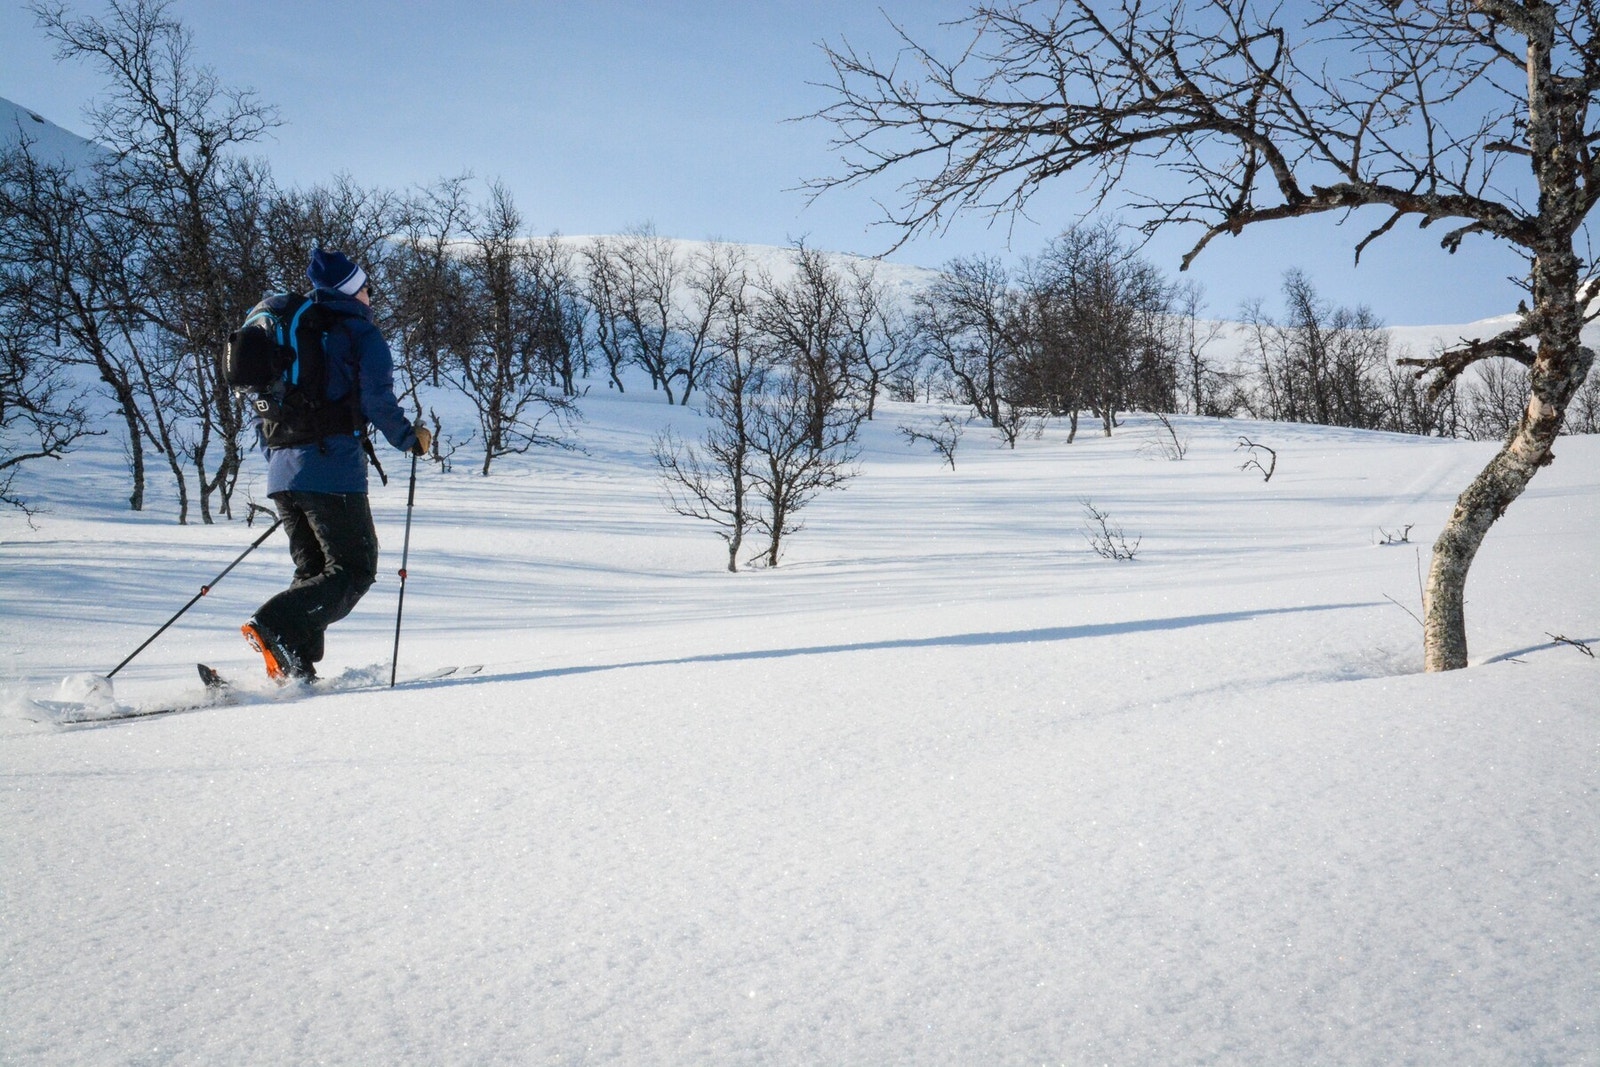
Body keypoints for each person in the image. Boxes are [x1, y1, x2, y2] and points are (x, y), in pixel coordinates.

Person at [241, 248, 431, 682]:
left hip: (283, 471)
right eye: (365, 287)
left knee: (313, 572)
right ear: (351, 290)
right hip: (331, 468)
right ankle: (274, 623)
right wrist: (409, 440)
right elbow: (377, 400)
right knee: (354, 568)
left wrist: (284, 466)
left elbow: (262, 410)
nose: (369, 296)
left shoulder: (293, 333)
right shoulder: (357, 332)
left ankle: (295, 669)